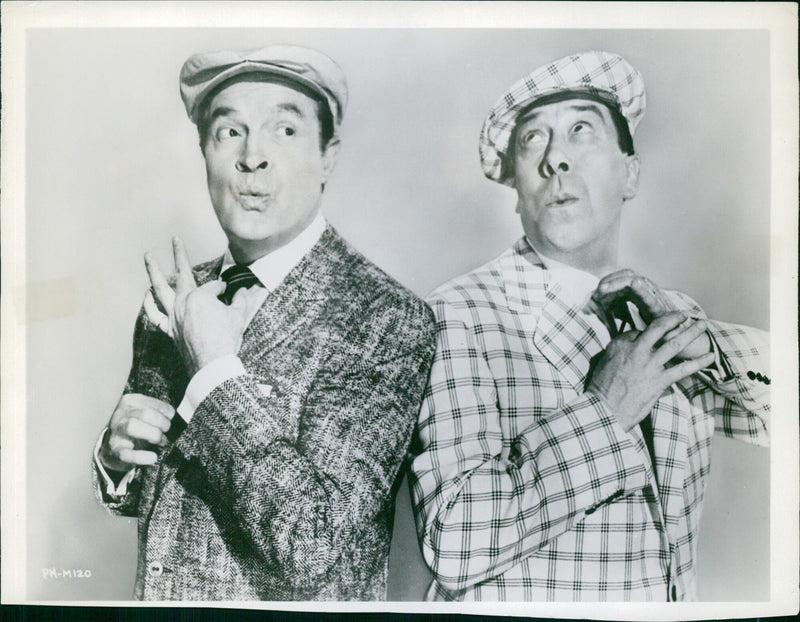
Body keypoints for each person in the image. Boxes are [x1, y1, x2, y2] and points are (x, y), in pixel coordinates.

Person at [409, 50, 770, 601]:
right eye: (532, 139)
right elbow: (453, 543)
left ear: (630, 174)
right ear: (517, 190)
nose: (556, 158)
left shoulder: (667, 316)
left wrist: (704, 341)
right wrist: (607, 409)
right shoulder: (458, 314)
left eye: (582, 129)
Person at [92, 45, 436, 601]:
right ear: (203, 151)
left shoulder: (386, 318)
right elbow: (168, 503)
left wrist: (217, 373)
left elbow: (314, 544)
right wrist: (114, 462)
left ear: (329, 156)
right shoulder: (176, 295)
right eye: (230, 132)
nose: (253, 157)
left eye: (285, 131)